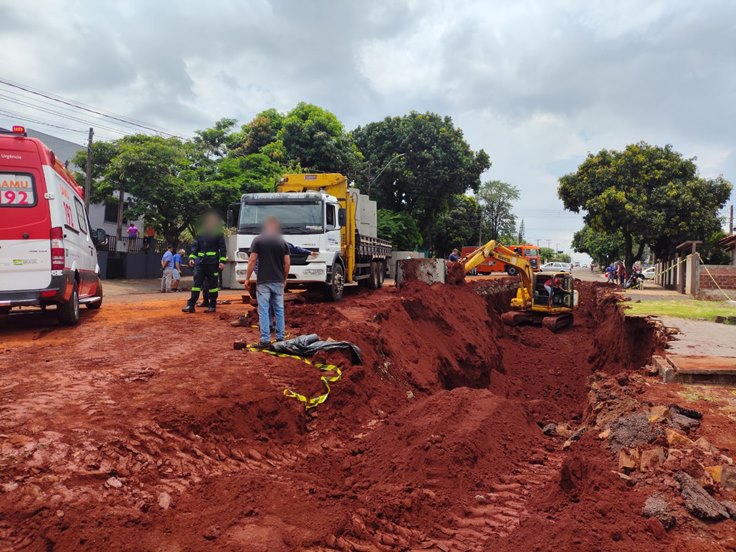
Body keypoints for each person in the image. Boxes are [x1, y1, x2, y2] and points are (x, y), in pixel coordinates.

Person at [245, 217, 290, 347]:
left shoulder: (258, 240)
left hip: (263, 281)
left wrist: (247, 278)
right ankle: (280, 338)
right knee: (279, 309)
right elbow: (287, 263)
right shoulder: (283, 243)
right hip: (278, 281)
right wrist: (284, 278)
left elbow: (252, 260)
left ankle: (265, 340)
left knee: (263, 310)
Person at [182, 212, 227, 314]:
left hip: (212, 263)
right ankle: (191, 305)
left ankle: (212, 305)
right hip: (200, 263)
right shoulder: (200, 233)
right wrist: (192, 258)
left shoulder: (218, 233)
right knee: (196, 284)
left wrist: (222, 261)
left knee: (213, 285)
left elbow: (222, 248)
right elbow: (195, 247)